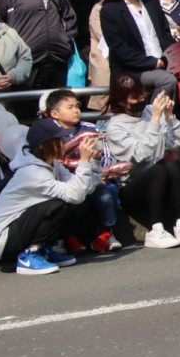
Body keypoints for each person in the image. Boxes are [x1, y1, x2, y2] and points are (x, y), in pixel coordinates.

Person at [0, 118, 100, 275]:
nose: (63, 142)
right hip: (3, 239)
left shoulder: (52, 164)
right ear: (43, 146)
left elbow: (84, 190)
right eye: (58, 140)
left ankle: (44, 249)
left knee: (69, 202)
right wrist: (84, 162)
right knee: (58, 204)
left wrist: (94, 162)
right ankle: (29, 255)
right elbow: (75, 194)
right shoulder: (32, 172)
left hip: (21, 227)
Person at [102, 73, 180, 249]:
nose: (142, 99)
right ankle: (155, 229)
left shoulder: (150, 111)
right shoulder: (115, 126)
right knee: (157, 169)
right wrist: (155, 120)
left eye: (143, 94)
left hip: (162, 179)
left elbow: (175, 143)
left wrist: (170, 116)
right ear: (121, 102)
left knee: (172, 164)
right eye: (136, 97)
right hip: (133, 186)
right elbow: (142, 154)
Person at [43, 89, 121, 253]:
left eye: (77, 106)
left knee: (107, 192)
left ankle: (107, 232)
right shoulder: (49, 135)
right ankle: (66, 237)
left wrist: (99, 170)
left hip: (91, 178)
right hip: (64, 181)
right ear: (55, 113)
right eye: (69, 107)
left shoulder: (90, 129)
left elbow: (103, 155)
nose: (76, 110)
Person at [100, 0, 178, 101]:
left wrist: (170, 57)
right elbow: (119, 48)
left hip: (161, 63)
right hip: (132, 71)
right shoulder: (110, 11)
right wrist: (151, 62)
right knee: (167, 80)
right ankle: (155, 117)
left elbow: (164, 32)